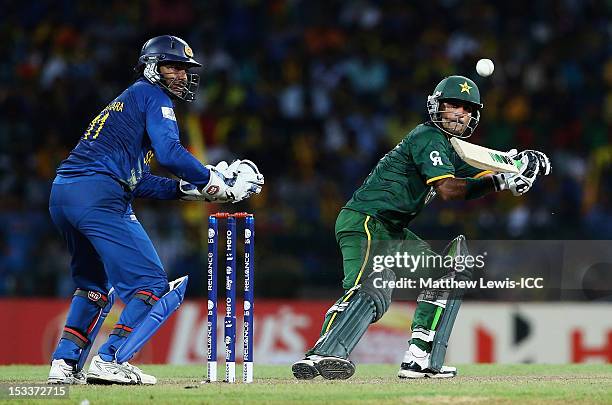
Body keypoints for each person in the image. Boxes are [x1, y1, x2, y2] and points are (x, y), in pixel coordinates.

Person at [291, 75, 550, 380]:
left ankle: (420, 358)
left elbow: (478, 174)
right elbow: (450, 190)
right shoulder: (427, 136)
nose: (460, 113)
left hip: (393, 229)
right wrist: (500, 178)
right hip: (366, 220)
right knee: (370, 287)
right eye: (454, 105)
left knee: (447, 273)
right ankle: (322, 353)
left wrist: (513, 167)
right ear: (437, 106)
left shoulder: (450, 148)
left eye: (467, 109)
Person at [47, 35, 264, 385]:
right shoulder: (154, 96)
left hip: (64, 195)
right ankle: (110, 359)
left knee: (93, 286)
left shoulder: (130, 100)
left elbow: (139, 181)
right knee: (150, 284)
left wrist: (191, 190)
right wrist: (212, 181)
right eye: (173, 66)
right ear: (152, 67)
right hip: (100, 196)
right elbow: (170, 153)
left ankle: (64, 364)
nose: (181, 74)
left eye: (184, 68)